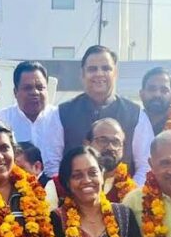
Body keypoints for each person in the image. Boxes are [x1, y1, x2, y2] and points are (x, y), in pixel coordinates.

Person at [35, 45, 152, 182]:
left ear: (115, 73)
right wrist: (70, 193)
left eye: (106, 68)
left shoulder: (135, 115)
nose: (99, 74)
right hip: (73, 197)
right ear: (82, 75)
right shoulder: (61, 113)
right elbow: (52, 164)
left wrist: (129, 197)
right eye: (92, 69)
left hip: (124, 198)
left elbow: (145, 166)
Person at [45, 118, 138, 209]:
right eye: (103, 140)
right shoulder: (57, 187)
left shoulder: (131, 191)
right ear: (87, 144)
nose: (110, 147)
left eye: (116, 142)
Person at [0, 61, 56, 144]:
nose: (35, 92)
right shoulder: (1, 120)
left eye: (40, 87)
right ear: (15, 92)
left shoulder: (60, 118)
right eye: (28, 88)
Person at [140, 67, 171, 137]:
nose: (157, 94)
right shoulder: (130, 124)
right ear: (142, 94)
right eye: (152, 89)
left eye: (164, 90)